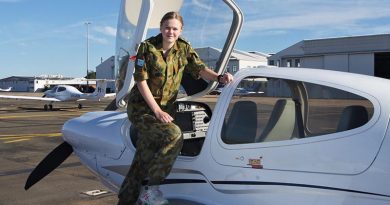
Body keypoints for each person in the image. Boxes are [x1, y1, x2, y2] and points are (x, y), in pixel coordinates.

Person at [117, 11, 233, 205]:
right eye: (167, 27)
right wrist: (156, 111)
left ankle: (125, 201)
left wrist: (219, 78)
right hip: (142, 110)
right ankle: (152, 188)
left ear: (180, 30)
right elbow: (141, 81)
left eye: (174, 28)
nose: (170, 32)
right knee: (173, 135)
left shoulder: (184, 48)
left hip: (165, 110)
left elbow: (200, 68)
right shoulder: (147, 48)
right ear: (161, 28)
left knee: (142, 160)